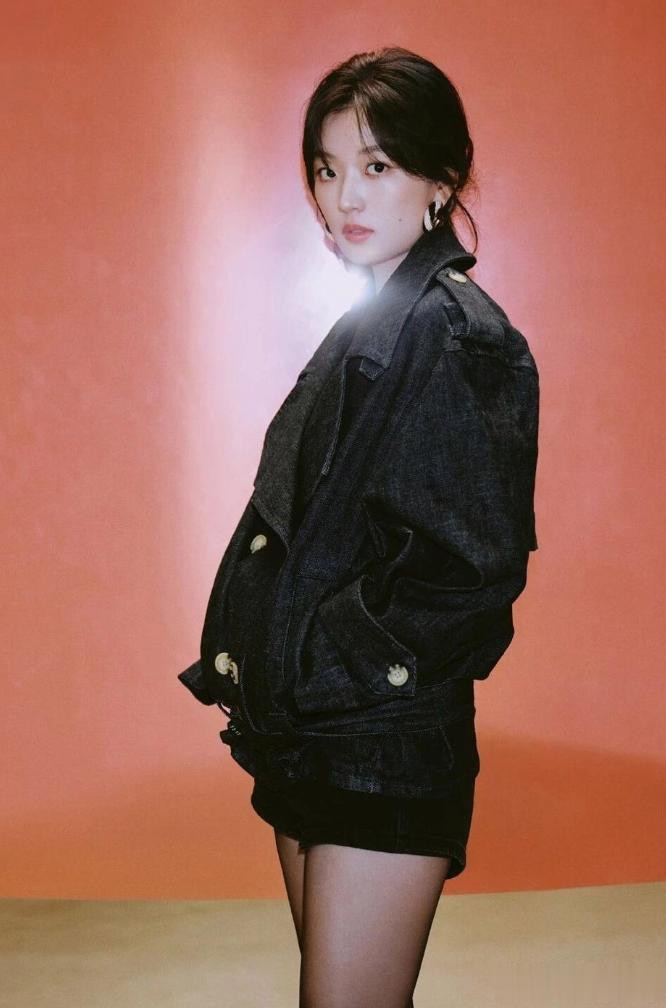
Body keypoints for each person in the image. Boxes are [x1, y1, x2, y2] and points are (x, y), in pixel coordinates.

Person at [178, 46, 539, 1007]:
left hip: (380, 744)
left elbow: (472, 573)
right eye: (327, 168)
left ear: (441, 179)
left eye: (376, 165)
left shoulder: (456, 335)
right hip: (311, 734)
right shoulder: (378, 321)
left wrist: (328, 657)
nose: (345, 196)